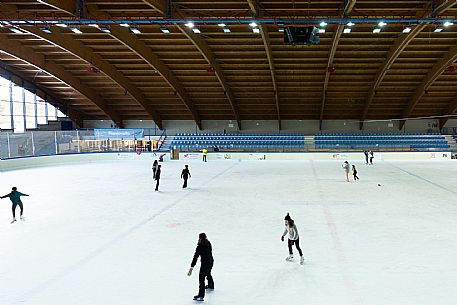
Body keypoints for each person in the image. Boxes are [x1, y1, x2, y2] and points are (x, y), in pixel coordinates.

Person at [187, 232, 214, 302]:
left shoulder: (199, 247)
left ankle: (201, 296)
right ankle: (211, 285)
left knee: (201, 279)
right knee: (208, 273)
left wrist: (191, 267)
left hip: (205, 264)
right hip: (211, 261)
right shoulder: (208, 243)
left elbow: (195, 257)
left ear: (200, 239)